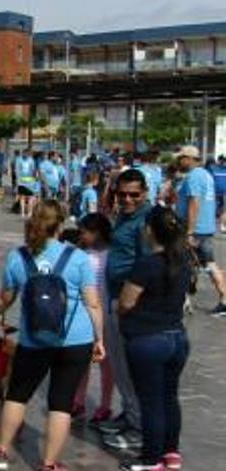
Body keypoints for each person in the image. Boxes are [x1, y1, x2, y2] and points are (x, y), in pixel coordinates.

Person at [0, 200, 105, 471]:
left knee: (17, 395)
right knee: (60, 403)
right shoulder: (77, 258)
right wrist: (99, 339)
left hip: (34, 339)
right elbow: (93, 303)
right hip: (74, 340)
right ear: (61, 225)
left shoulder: (19, 257)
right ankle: (49, 467)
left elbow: (5, 298)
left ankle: (0, 451)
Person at [112, 206, 191, 471]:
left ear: (151, 231)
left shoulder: (147, 264)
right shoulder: (183, 260)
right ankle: (171, 452)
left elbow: (126, 301)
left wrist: (123, 315)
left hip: (148, 340)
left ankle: (151, 460)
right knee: (170, 397)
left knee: (151, 402)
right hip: (176, 337)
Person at [99, 168, 151, 451]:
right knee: (118, 363)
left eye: (134, 194)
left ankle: (139, 426)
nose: (128, 199)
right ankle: (129, 412)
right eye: (122, 194)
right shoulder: (124, 215)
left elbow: (148, 265)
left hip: (129, 302)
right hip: (115, 296)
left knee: (131, 367)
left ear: (145, 193)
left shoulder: (146, 221)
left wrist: (129, 300)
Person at [71, 213, 116, 424]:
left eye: (84, 232)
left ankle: (105, 404)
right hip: (84, 313)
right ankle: (78, 400)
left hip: (106, 312)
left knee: (106, 363)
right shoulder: (81, 254)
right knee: (82, 360)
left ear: (97, 232)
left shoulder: (112, 254)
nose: (81, 235)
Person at [173, 145, 226, 316]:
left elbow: (194, 203)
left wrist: (189, 231)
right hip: (204, 227)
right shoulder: (205, 174)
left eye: (181, 158)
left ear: (188, 158)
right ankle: (186, 299)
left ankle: (224, 298)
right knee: (194, 264)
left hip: (197, 229)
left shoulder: (195, 176)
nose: (178, 161)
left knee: (205, 264)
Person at [16, 149, 39, 218]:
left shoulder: (31, 160)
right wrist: (18, 181)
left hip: (30, 182)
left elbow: (33, 170)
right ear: (22, 153)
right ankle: (23, 212)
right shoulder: (19, 160)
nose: (25, 155)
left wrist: (35, 179)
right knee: (22, 197)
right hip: (22, 182)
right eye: (24, 153)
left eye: (27, 154)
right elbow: (17, 170)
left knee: (31, 198)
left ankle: (30, 212)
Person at [211, 155, 226, 232]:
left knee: (224, 210)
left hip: (224, 193)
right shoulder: (214, 169)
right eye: (221, 160)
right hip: (215, 193)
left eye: (224, 161)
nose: (223, 162)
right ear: (218, 160)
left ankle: (222, 225)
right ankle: (212, 226)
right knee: (214, 209)